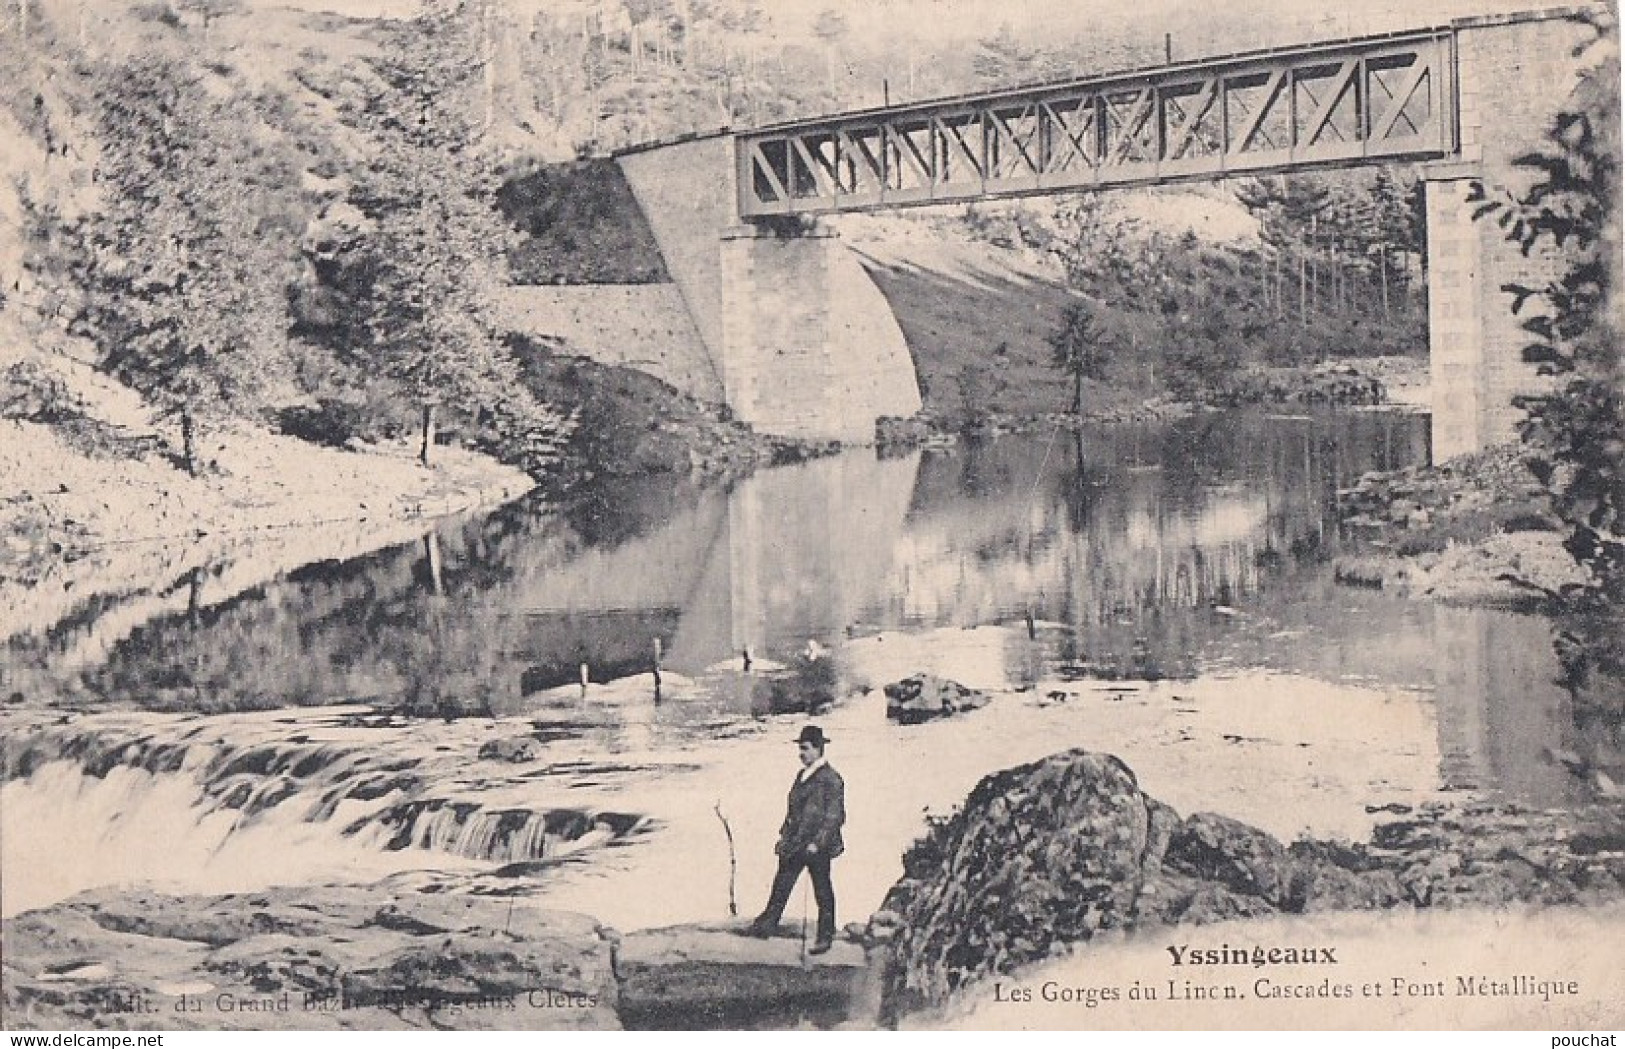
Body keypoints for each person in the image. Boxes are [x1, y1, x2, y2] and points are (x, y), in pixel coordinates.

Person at [746, 724, 845, 954]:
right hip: (796, 841)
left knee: (822, 890)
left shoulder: (832, 779)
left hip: (816, 846)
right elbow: (793, 811)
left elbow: (834, 817)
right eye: (800, 748)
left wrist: (817, 843)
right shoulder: (802, 775)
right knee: (782, 882)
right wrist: (784, 836)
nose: (801, 753)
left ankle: (825, 936)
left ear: (819, 749)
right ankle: (768, 924)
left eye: (805, 748)